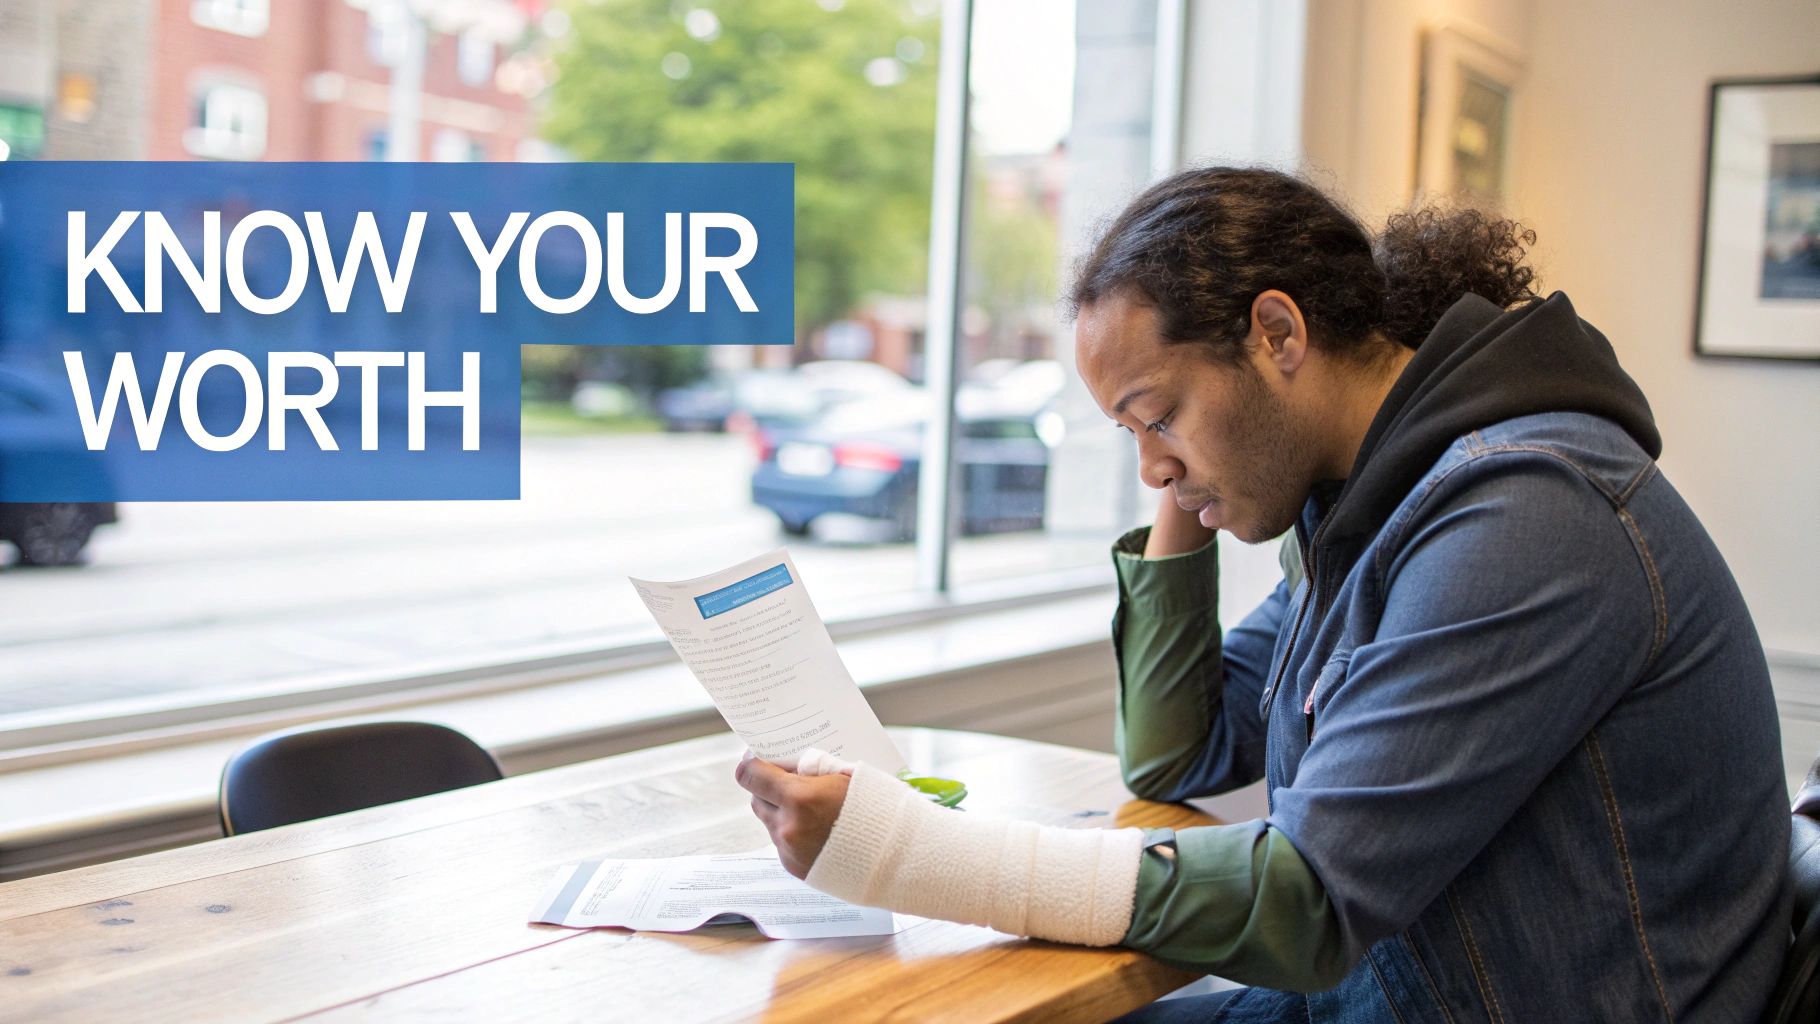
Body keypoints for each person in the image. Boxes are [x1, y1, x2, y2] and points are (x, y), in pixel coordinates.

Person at [734, 166, 1790, 1021]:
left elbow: (1309, 902)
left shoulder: (1523, 518)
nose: (1147, 466)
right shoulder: (1362, 507)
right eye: (1124, 434)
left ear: (1277, 335)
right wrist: (1182, 468)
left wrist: (901, 853)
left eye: (1157, 414)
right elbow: (1181, 748)